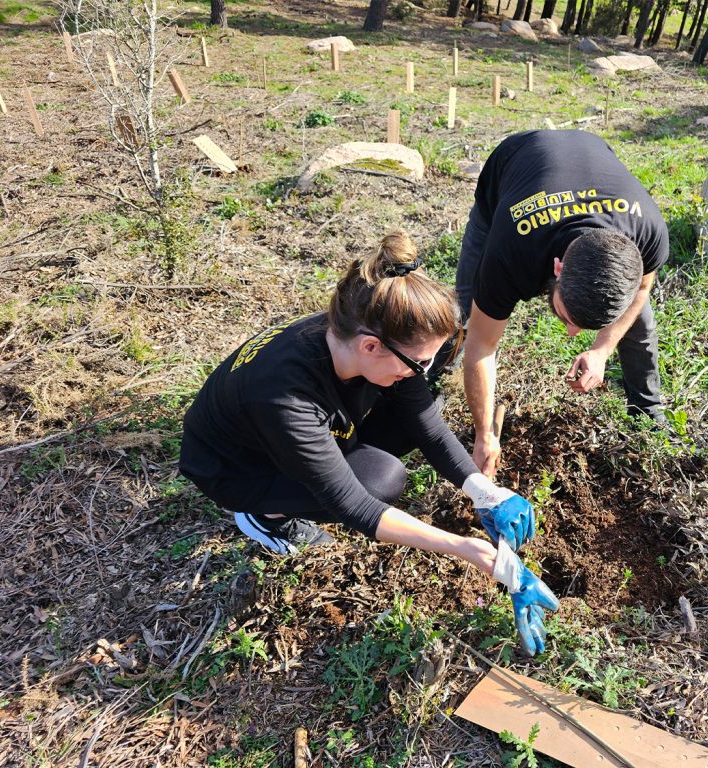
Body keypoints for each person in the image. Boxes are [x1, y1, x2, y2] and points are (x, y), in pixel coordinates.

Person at [179, 230, 558, 656]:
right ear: (371, 346)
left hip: (308, 431)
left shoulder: (369, 333)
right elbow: (355, 505)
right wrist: (471, 551)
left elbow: (425, 424)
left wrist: (485, 493)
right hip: (238, 466)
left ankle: (319, 464)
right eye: (421, 362)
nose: (426, 370)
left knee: (406, 412)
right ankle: (265, 515)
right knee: (380, 481)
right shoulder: (284, 396)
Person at [452, 130, 670, 477]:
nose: (571, 333)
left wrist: (601, 350)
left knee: (638, 321)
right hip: (512, 168)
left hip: (592, 154)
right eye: (569, 317)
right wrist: (484, 435)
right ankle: (428, 384)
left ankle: (648, 411)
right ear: (557, 268)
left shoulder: (647, 233)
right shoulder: (511, 250)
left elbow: (641, 289)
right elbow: (482, 347)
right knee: (461, 314)